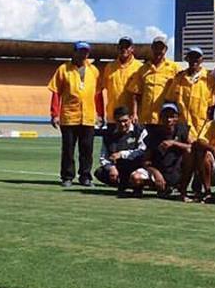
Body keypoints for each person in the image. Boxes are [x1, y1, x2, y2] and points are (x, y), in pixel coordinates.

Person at [48, 41, 102, 188]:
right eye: (80, 51)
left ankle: (85, 177)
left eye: (85, 51)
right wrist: (54, 114)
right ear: (74, 52)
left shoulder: (94, 71)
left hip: (88, 117)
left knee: (87, 150)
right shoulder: (63, 69)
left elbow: (98, 95)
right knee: (68, 149)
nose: (83, 54)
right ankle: (67, 176)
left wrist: (100, 114)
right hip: (69, 116)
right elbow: (56, 92)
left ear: (88, 53)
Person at [131, 102, 192, 197]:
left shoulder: (182, 130)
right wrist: (156, 173)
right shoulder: (153, 133)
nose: (168, 119)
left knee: (189, 153)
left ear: (177, 118)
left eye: (172, 116)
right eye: (165, 116)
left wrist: (173, 143)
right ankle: (155, 187)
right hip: (157, 169)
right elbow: (146, 161)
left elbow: (192, 147)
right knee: (136, 178)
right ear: (160, 118)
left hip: (176, 170)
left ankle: (181, 189)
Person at [162, 46, 215, 140]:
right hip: (181, 129)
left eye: (197, 57)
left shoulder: (209, 80)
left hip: (201, 129)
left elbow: (211, 108)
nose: (194, 60)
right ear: (187, 59)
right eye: (191, 57)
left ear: (201, 60)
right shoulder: (178, 78)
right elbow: (169, 100)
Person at [94, 107, 147, 192]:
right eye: (119, 121)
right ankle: (124, 184)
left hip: (136, 166)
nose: (122, 124)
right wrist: (111, 167)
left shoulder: (140, 131)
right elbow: (103, 157)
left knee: (138, 175)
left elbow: (142, 151)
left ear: (131, 118)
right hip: (118, 168)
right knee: (100, 172)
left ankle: (135, 183)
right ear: (115, 120)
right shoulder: (109, 135)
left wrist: (122, 154)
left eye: (125, 121)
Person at [130, 36, 179, 126]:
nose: (158, 51)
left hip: (165, 120)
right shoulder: (143, 69)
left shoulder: (174, 68)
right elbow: (136, 94)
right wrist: (134, 113)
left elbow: (179, 94)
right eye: (156, 47)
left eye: (161, 48)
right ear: (152, 48)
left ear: (166, 50)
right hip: (145, 119)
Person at [98, 37, 143, 125]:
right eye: (121, 47)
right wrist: (102, 114)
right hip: (112, 118)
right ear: (117, 49)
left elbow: (140, 94)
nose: (124, 49)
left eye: (127, 47)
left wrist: (135, 114)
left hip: (130, 119)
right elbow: (103, 91)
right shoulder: (109, 67)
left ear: (132, 49)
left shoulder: (140, 67)